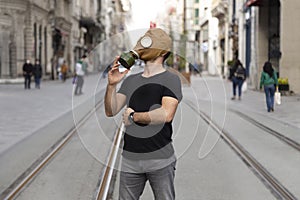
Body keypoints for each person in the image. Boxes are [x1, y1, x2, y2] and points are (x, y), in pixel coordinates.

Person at [104, 28, 182, 200]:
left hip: (160, 159)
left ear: (162, 51)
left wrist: (134, 117)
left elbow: (166, 114)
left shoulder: (171, 79)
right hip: (130, 159)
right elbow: (111, 110)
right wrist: (112, 85)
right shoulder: (132, 80)